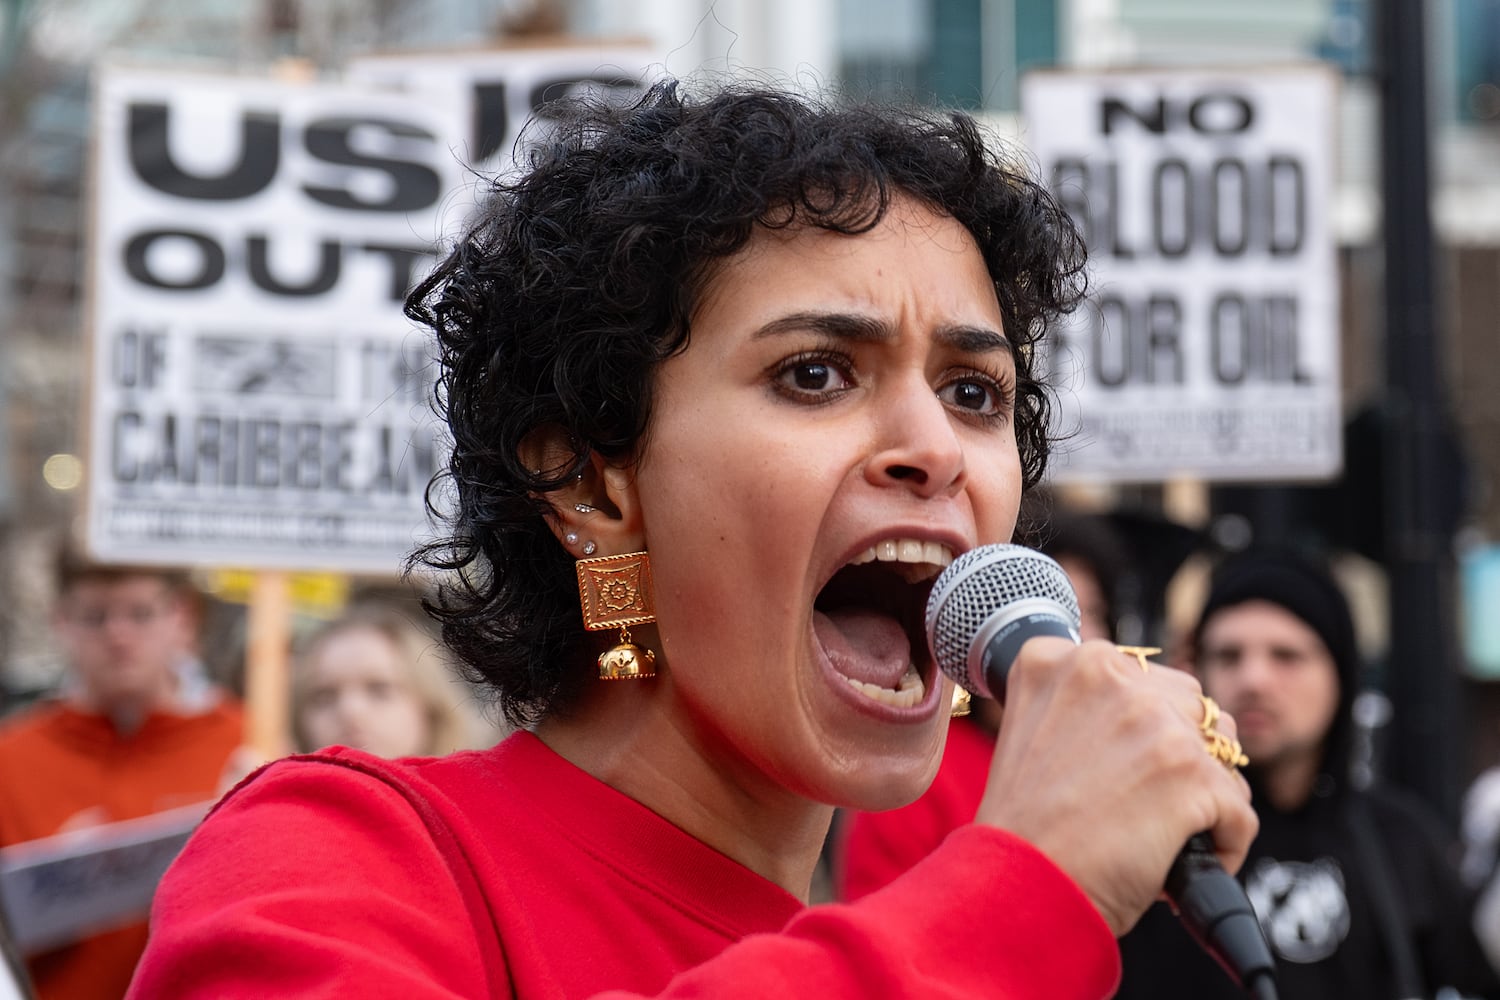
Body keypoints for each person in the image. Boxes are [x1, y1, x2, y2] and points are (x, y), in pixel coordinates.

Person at [126, 79, 1255, 999]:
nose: (936, 448)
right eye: (815, 373)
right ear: (591, 482)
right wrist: (1027, 889)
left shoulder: (911, 939)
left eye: (975, 392)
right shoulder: (339, 858)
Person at [1113, 546, 1500, 999]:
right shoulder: (1157, 841)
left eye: (1286, 655)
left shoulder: (1402, 840)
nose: (1254, 679)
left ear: (1341, 673)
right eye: (1229, 655)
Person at [833, 502, 1129, 901]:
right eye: (1042, 607)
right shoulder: (919, 773)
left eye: (1091, 609)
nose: (1075, 629)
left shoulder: (1121, 754)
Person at [0, 549, 249, 1000]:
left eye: (140, 613)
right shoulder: (10, 760)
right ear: (62, 623)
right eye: (96, 617)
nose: (119, 636)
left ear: (181, 618)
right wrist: (52, 886)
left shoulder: (247, 743)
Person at [291, 602, 496, 759]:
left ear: (431, 708)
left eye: (379, 689)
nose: (350, 710)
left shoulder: (477, 809)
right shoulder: (278, 808)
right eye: (325, 696)